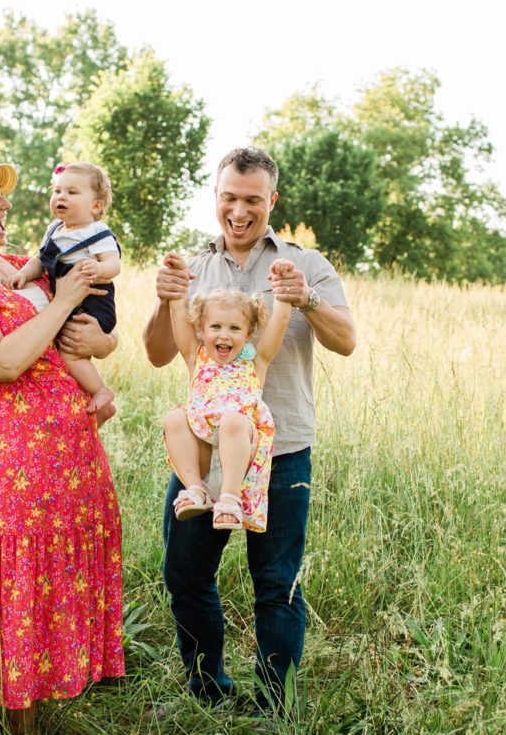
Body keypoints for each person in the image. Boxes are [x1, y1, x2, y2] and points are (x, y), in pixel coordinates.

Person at [142, 147, 357, 717]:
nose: (240, 211)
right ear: (216, 197)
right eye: (229, 198)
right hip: (206, 450)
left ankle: (273, 707)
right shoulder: (192, 267)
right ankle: (207, 691)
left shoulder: (304, 263)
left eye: (253, 200)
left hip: (282, 450)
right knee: (184, 573)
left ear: (272, 201)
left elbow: (346, 340)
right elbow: (160, 355)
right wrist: (165, 298)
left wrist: (304, 299)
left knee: (277, 582)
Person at [0, 157, 125, 735]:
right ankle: (5, 728)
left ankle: (39, 716)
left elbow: (92, 331)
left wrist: (102, 344)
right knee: (12, 586)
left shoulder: (19, 267)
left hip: (69, 457)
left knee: (47, 585)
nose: (6, 206)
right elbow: (6, 362)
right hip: (12, 469)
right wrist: (61, 303)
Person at [162, 259, 294, 532]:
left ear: (248, 334)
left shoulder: (256, 362)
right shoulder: (195, 357)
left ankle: (230, 499)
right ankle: (195, 490)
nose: (224, 335)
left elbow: (280, 320)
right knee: (175, 418)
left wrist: (283, 290)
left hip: (238, 456)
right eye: (216, 327)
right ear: (200, 328)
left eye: (234, 329)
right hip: (200, 454)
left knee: (233, 421)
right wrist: (177, 282)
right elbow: (177, 311)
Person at [4, 161, 120, 416]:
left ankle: (100, 391)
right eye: (57, 191)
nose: (61, 197)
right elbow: (40, 260)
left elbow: (114, 264)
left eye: (72, 192)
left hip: (93, 301)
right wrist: (23, 274)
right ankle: (84, 400)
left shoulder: (97, 232)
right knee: (66, 349)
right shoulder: (54, 231)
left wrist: (99, 270)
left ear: (96, 206)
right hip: (69, 300)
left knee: (72, 352)